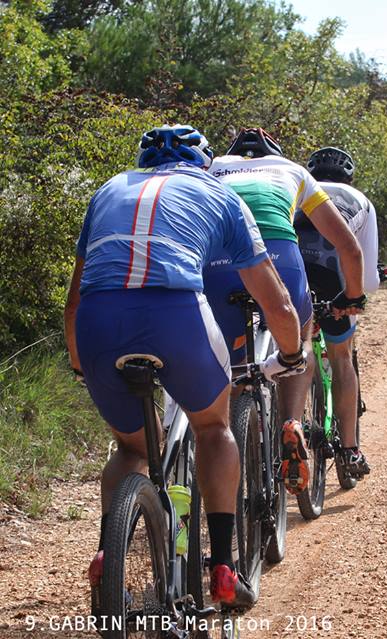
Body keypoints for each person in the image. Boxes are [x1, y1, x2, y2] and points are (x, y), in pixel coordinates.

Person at [64, 125, 307, 611]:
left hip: (98, 320)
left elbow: (75, 299)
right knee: (214, 426)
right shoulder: (219, 194)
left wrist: (79, 362)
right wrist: (293, 354)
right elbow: (276, 301)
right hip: (174, 313)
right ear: (205, 163)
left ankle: (105, 554)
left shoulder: (107, 190)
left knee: (130, 446)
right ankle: (222, 568)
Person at [203, 128, 366, 495]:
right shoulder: (293, 171)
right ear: (275, 153)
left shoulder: (210, 170)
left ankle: (231, 436)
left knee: (230, 363)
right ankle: (291, 421)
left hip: (219, 262)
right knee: (300, 335)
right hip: (279, 257)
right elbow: (348, 247)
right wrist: (353, 298)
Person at [294, 147, 379, 477]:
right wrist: (353, 297)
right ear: (350, 177)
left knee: (295, 350)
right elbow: (367, 276)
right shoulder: (359, 199)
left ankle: (289, 424)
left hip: (293, 274)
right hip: (332, 279)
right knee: (341, 356)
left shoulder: (300, 190)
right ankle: (349, 450)